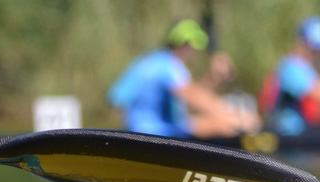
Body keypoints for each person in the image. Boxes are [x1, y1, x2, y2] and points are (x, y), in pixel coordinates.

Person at [107, 19, 257, 138]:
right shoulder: (169, 65)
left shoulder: (149, 60)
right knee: (224, 127)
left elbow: (116, 98)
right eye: (191, 45)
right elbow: (193, 97)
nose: (193, 52)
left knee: (209, 123)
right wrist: (235, 117)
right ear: (183, 43)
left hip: (136, 132)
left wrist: (213, 78)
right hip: (155, 133)